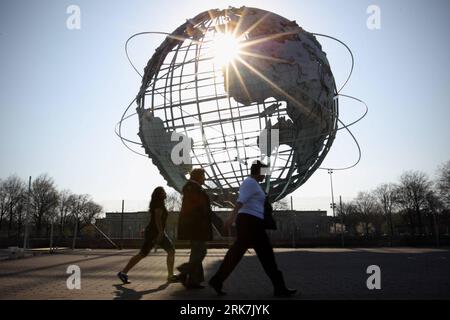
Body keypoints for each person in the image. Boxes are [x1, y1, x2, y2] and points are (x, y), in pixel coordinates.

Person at [208, 161, 297, 297]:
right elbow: (240, 201)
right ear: (259, 171)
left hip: (250, 222)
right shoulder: (250, 183)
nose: (265, 176)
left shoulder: (251, 184)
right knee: (266, 255)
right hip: (251, 223)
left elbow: (244, 201)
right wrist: (231, 217)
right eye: (264, 173)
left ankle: (217, 280)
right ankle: (280, 288)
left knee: (237, 253)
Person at [117, 187, 179, 284]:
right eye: (163, 192)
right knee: (144, 253)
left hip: (156, 232)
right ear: (159, 194)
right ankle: (123, 272)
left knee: (169, 251)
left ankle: (170, 275)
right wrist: (161, 233)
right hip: (154, 233)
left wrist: (161, 232)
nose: (165, 193)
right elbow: (157, 219)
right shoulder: (158, 205)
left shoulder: (159, 204)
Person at [177, 168, 213, 289]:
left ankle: (193, 280)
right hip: (196, 226)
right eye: (204, 176)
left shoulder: (192, 187)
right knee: (201, 251)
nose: (205, 178)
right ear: (198, 176)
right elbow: (197, 208)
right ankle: (184, 270)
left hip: (196, 226)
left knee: (196, 252)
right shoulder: (192, 188)